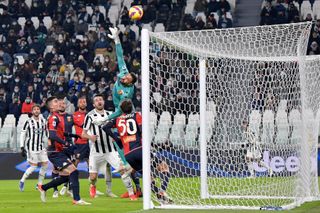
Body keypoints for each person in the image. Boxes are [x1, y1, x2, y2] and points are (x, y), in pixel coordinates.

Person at [103, 99, 172, 203]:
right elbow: (142, 131)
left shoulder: (117, 119)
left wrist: (117, 139)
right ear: (132, 107)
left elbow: (105, 127)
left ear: (121, 109)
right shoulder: (137, 115)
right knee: (164, 167)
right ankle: (162, 191)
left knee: (148, 177)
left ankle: (159, 196)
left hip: (128, 155)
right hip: (140, 150)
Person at [81, 94, 136, 200]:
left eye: (100, 99)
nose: (99, 101)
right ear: (93, 104)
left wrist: (115, 136)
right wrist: (90, 137)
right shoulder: (89, 116)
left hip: (110, 150)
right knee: (92, 177)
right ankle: (92, 185)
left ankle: (131, 194)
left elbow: (118, 128)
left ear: (104, 102)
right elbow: (83, 134)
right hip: (95, 151)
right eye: (96, 100)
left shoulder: (111, 114)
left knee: (122, 170)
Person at [37, 96, 90, 205]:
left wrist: (72, 135)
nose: (59, 103)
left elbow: (60, 133)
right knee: (74, 171)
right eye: (56, 102)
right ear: (51, 107)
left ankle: (43, 187)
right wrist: (65, 142)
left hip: (59, 151)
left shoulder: (57, 117)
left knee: (65, 177)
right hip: (55, 152)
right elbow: (52, 135)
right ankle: (77, 199)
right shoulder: (53, 118)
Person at [19, 104, 48, 192]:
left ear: (40, 111)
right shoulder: (28, 122)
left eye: (38, 109)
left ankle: (39, 184)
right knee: (34, 166)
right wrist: (22, 147)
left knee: (45, 165)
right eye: (34, 109)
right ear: (32, 111)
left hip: (41, 147)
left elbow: (45, 134)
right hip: (31, 148)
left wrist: (46, 145)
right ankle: (22, 181)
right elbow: (23, 134)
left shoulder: (43, 121)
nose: (36, 111)